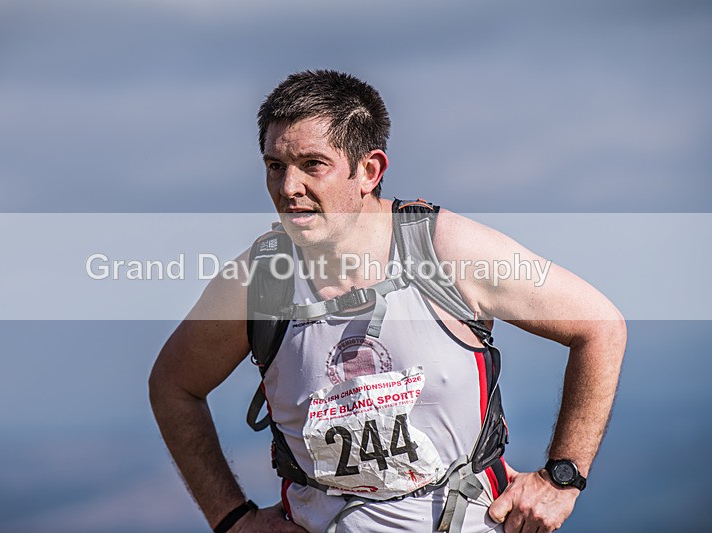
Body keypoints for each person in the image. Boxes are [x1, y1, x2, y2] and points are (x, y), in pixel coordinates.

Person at [149, 70, 626, 533]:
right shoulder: (259, 279)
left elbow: (599, 325)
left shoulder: (445, 249)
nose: (287, 188)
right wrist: (233, 519)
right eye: (276, 166)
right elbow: (173, 385)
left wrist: (562, 479)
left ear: (369, 170)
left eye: (312, 164)